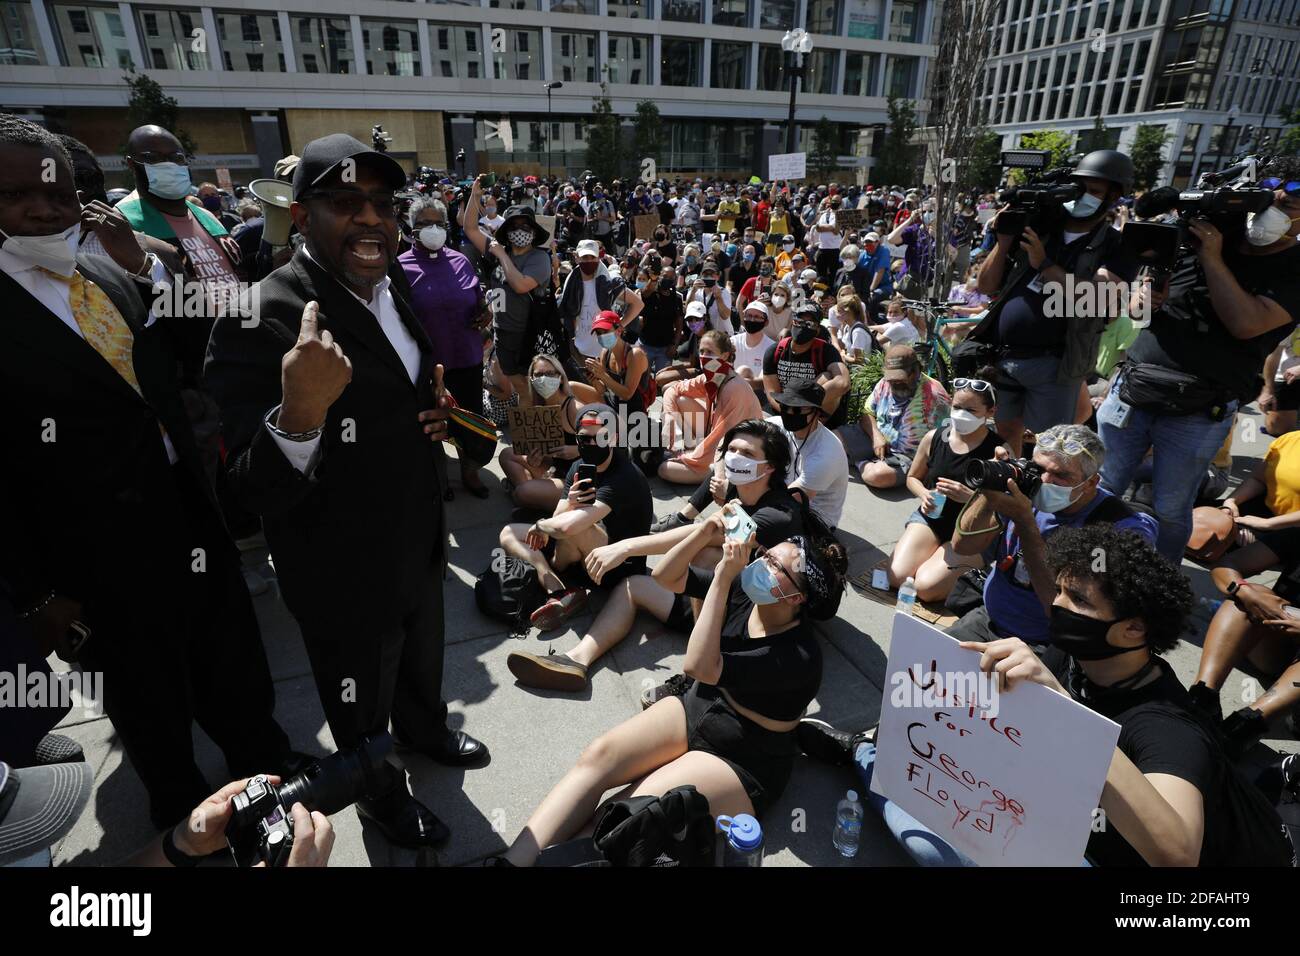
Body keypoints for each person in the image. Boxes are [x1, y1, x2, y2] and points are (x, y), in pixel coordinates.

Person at [0, 115, 298, 831]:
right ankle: (186, 814)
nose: (46, 209)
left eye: (61, 195)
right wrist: (37, 593)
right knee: (146, 689)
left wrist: (147, 268)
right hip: (90, 551)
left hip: (186, 506)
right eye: (16, 195)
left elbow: (196, 349)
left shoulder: (107, 265)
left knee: (230, 655)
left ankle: (269, 770)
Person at [206, 133, 487, 851]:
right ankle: (381, 800)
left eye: (382, 204)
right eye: (344, 203)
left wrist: (434, 402)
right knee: (360, 701)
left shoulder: (392, 284)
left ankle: (425, 733)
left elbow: (408, 378)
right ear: (300, 217)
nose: (371, 219)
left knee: (423, 653)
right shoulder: (262, 314)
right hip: (339, 564)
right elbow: (246, 490)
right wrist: (299, 414)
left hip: (419, 526)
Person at [800, 524, 1296, 867]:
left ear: (1131, 631)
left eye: (1078, 600)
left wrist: (1062, 711)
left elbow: (1176, 854)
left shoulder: (1168, 726)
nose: (1057, 605)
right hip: (1070, 823)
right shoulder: (1071, 659)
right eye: (1060, 590)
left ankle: (862, 753)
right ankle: (870, 751)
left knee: (934, 847)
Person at [495, 521, 846, 866]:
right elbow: (665, 578)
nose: (761, 563)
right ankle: (511, 863)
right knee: (599, 757)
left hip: (744, 756)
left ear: (797, 597)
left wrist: (722, 576)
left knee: (628, 815)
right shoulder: (747, 588)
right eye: (767, 554)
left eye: (775, 565)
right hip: (701, 706)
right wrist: (701, 534)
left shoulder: (799, 656)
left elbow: (699, 666)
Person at [508, 421, 806, 692]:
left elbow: (704, 532)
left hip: (744, 619)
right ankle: (576, 660)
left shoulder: (777, 514)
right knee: (632, 585)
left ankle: (700, 674)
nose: (734, 456)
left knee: (705, 552)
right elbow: (703, 531)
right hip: (712, 594)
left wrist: (624, 547)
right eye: (732, 449)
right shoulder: (742, 492)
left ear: (769, 467)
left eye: (747, 453)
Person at [1099, 162, 1300, 560]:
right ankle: (1089, 566)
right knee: (1101, 488)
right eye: (1270, 197)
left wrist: (1213, 258)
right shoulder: (1204, 236)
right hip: (1133, 389)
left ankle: (1158, 582)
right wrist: (1143, 296)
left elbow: (1247, 324)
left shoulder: (1291, 267)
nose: (1276, 207)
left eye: (1290, 203)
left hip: (1197, 411)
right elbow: (1141, 308)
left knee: (1171, 508)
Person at [971, 150, 1140, 457]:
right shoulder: (1039, 229)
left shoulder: (1119, 246)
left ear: (1114, 197)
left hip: (1056, 363)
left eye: (1095, 191)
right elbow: (985, 286)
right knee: (1006, 434)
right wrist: (1005, 240)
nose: (1084, 197)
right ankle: (1010, 490)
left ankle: (1037, 502)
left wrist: (1044, 263)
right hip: (1005, 357)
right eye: (1080, 188)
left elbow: (1097, 296)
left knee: (1048, 446)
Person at [947, 423, 1157, 649]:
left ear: (1091, 483)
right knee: (916, 665)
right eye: (1039, 469)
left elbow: (1060, 610)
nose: (1044, 481)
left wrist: (1025, 521)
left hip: (1049, 645)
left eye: (1061, 475)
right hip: (988, 620)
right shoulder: (1023, 488)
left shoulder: (1119, 528)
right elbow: (963, 546)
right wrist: (990, 488)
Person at [499, 404, 653, 633]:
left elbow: (570, 525)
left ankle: (560, 580)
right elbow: (558, 517)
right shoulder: (578, 467)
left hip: (616, 567)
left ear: (613, 438)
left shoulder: (624, 476)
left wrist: (542, 525)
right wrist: (570, 500)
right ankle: (558, 589)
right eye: (584, 439)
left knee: (573, 526)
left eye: (598, 438)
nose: (590, 445)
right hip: (577, 552)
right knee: (508, 533)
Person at [399, 195, 492, 499]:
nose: (433, 229)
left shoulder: (460, 259)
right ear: (412, 228)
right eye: (425, 223)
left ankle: (469, 470)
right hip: (427, 363)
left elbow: (477, 299)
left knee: (469, 418)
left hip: (466, 355)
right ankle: (439, 479)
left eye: (438, 223)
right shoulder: (400, 268)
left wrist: (485, 312)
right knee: (433, 421)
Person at [887, 378, 1000, 601]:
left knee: (925, 589)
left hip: (971, 531)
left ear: (990, 412)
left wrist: (971, 498)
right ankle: (936, 556)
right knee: (896, 577)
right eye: (957, 407)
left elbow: (1005, 508)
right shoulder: (935, 437)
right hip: (933, 518)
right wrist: (923, 494)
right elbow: (912, 478)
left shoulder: (998, 451)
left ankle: (967, 565)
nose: (960, 414)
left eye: (970, 410)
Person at [462, 176, 553, 405]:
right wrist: (475, 195)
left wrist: (501, 255)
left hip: (529, 334)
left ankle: (548, 436)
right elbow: (470, 228)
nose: (519, 231)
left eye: (525, 226)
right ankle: (528, 439)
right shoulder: (497, 250)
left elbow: (521, 285)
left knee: (539, 390)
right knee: (522, 389)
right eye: (514, 227)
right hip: (503, 334)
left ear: (533, 230)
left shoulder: (539, 258)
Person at [659, 329, 764, 485]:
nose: (703, 356)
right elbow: (673, 390)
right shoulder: (710, 377)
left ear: (725, 355)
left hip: (738, 451)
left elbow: (723, 437)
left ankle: (714, 471)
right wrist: (669, 419)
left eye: (709, 352)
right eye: (701, 351)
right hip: (717, 438)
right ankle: (698, 456)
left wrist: (691, 457)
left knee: (664, 469)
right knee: (680, 399)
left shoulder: (734, 387)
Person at [842, 345, 951, 489]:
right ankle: (861, 458)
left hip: (906, 456)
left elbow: (945, 440)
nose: (895, 382)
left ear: (916, 370)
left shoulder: (935, 396)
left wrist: (923, 470)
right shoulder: (884, 383)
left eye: (900, 377)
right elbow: (867, 412)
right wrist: (876, 436)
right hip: (875, 439)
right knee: (832, 441)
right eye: (891, 378)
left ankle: (859, 461)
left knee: (877, 476)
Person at [499, 353, 581, 514]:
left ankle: (531, 499)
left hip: (578, 480)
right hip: (556, 470)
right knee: (506, 454)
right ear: (531, 379)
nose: (544, 379)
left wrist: (576, 450)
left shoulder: (573, 408)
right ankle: (537, 500)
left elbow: (609, 444)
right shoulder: (536, 406)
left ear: (561, 378)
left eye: (550, 374)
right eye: (538, 375)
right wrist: (536, 458)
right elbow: (546, 452)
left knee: (522, 492)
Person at [762, 304, 851, 430]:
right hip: (783, 407)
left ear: (818, 330)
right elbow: (772, 393)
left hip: (814, 410)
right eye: (799, 322)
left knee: (826, 377)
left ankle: (812, 427)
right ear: (792, 323)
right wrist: (790, 411)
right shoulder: (775, 350)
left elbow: (843, 382)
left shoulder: (826, 351)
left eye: (809, 324)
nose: (803, 326)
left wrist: (804, 407)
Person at [575, 310, 652, 419]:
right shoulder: (605, 352)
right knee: (571, 387)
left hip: (633, 413)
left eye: (605, 331)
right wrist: (594, 380)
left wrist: (602, 375)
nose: (601, 336)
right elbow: (603, 390)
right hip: (611, 404)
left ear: (619, 330)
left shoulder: (635, 355)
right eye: (598, 333)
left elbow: (627, 394)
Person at [636, 255, 684, 373]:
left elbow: (679, 325)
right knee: (642, 379)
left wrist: (674, 345)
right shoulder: (650, 292)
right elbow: (645, 293)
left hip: (665, 348)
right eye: (664, 276)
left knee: (662, 379)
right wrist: (652, 279)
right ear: (659, 276)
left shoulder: (677, 298)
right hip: (646, 345)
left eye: (670, 278)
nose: (667, 279)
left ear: (674, 280)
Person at [733, 301, 775, 395]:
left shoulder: (772, 348)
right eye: (749, 316)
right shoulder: (732, 342)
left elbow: (764, 380)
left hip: (758, 397)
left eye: (757, 317)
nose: (752, 320)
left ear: (766, 322)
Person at [683, 259, 734, 332]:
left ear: (718, 276)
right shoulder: (694, 290)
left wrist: (719, 298)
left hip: (722, 334)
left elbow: (725, 316)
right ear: (701, 275)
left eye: (712, 274)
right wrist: (693, 291)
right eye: (706, 274)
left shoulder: (724, 292)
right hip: (703, 334)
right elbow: (686, 311)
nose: (709, 277)